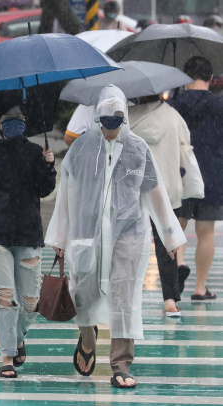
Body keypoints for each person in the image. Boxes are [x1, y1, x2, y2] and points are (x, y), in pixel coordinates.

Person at [46, 85, 186, 389]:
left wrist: (171, 236)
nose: (111, 129)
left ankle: (121, 362)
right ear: (97, 118)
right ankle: (87, 339)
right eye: (105, 122)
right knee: (82, 292)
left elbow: (155, 193)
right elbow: (66, 195)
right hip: (86, 235)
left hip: (128, 237)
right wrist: (59, 236)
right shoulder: (81, 150)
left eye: (117, 122)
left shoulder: (138, 149)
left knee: (124, 298)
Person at [0, 105, 56, 378]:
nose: (14, 124)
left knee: (31, 302)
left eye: (19, 119)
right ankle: (7, 356)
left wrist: (49, 166)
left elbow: (44, 189)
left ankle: (17, 336)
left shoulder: (35, 152)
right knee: (4, 298)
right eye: (8, 119)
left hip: (28, 234)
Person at [129, 94, 197, 316]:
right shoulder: (174, 116)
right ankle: (170, 300)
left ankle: (128, 296)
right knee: (167, 245)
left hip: (136, 190)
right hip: (168, 190)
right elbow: (185, 147)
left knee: (130, 244)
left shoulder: (128, 118)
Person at [169, 56, 223, 301]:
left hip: (180, 172)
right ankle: (200, 288)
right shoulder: (218, 105)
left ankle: (179, 264)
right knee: (206, 232)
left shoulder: (175, 104)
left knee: (177, 227)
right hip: (211, 173)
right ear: (211, 79)